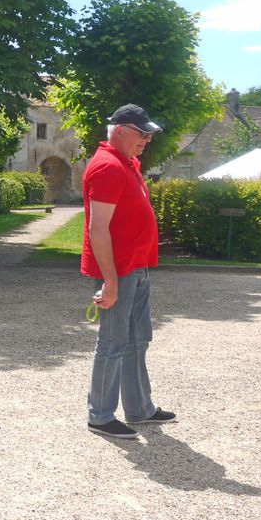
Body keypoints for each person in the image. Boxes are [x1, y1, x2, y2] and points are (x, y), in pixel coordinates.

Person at [82, 103, 177, 439]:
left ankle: (139, 408)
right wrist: (109, 281)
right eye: (142, 133)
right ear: (120, 130)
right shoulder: (107, 167)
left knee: (138, 340)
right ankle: (100, 415)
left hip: (136, 268)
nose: (147, 139)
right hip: (119, 271)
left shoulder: (127, 163)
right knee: (113, 341)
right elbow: (98, 228)